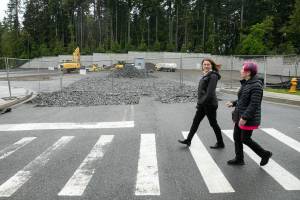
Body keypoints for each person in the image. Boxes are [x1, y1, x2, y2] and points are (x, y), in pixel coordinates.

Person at [226, 61, 272, 166]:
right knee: (237, 137)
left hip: (247, 118)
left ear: (248, 72)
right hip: (239, 115)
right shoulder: (246, 83)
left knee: (245, 139)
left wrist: (245, 117)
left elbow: (254, 104)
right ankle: (239, 159)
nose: (240, 71)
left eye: (242, 69)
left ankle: (264, 154)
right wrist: (233, 103)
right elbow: (243, 100)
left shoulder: (256, 85)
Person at [178, 58, 225, 149]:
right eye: (204, 64)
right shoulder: (206, 75)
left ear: (211, 65)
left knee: (213, 124)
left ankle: (220, 143)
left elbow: (210, 92)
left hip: (210, 104)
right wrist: (200, 103)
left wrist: (200, 103)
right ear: (202, 66)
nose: (206, 66)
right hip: (203, 104)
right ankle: (188, 140)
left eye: (208, 64)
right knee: (195, 122)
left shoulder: (213, 76)